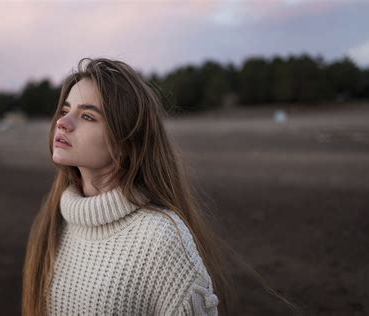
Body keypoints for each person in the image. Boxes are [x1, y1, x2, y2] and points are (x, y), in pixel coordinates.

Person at [22, 57, 231, 316]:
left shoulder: (161, 239)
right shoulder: (53, 224)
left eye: (87, 115)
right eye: (65, 111)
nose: (63, 123)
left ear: (125, 143)